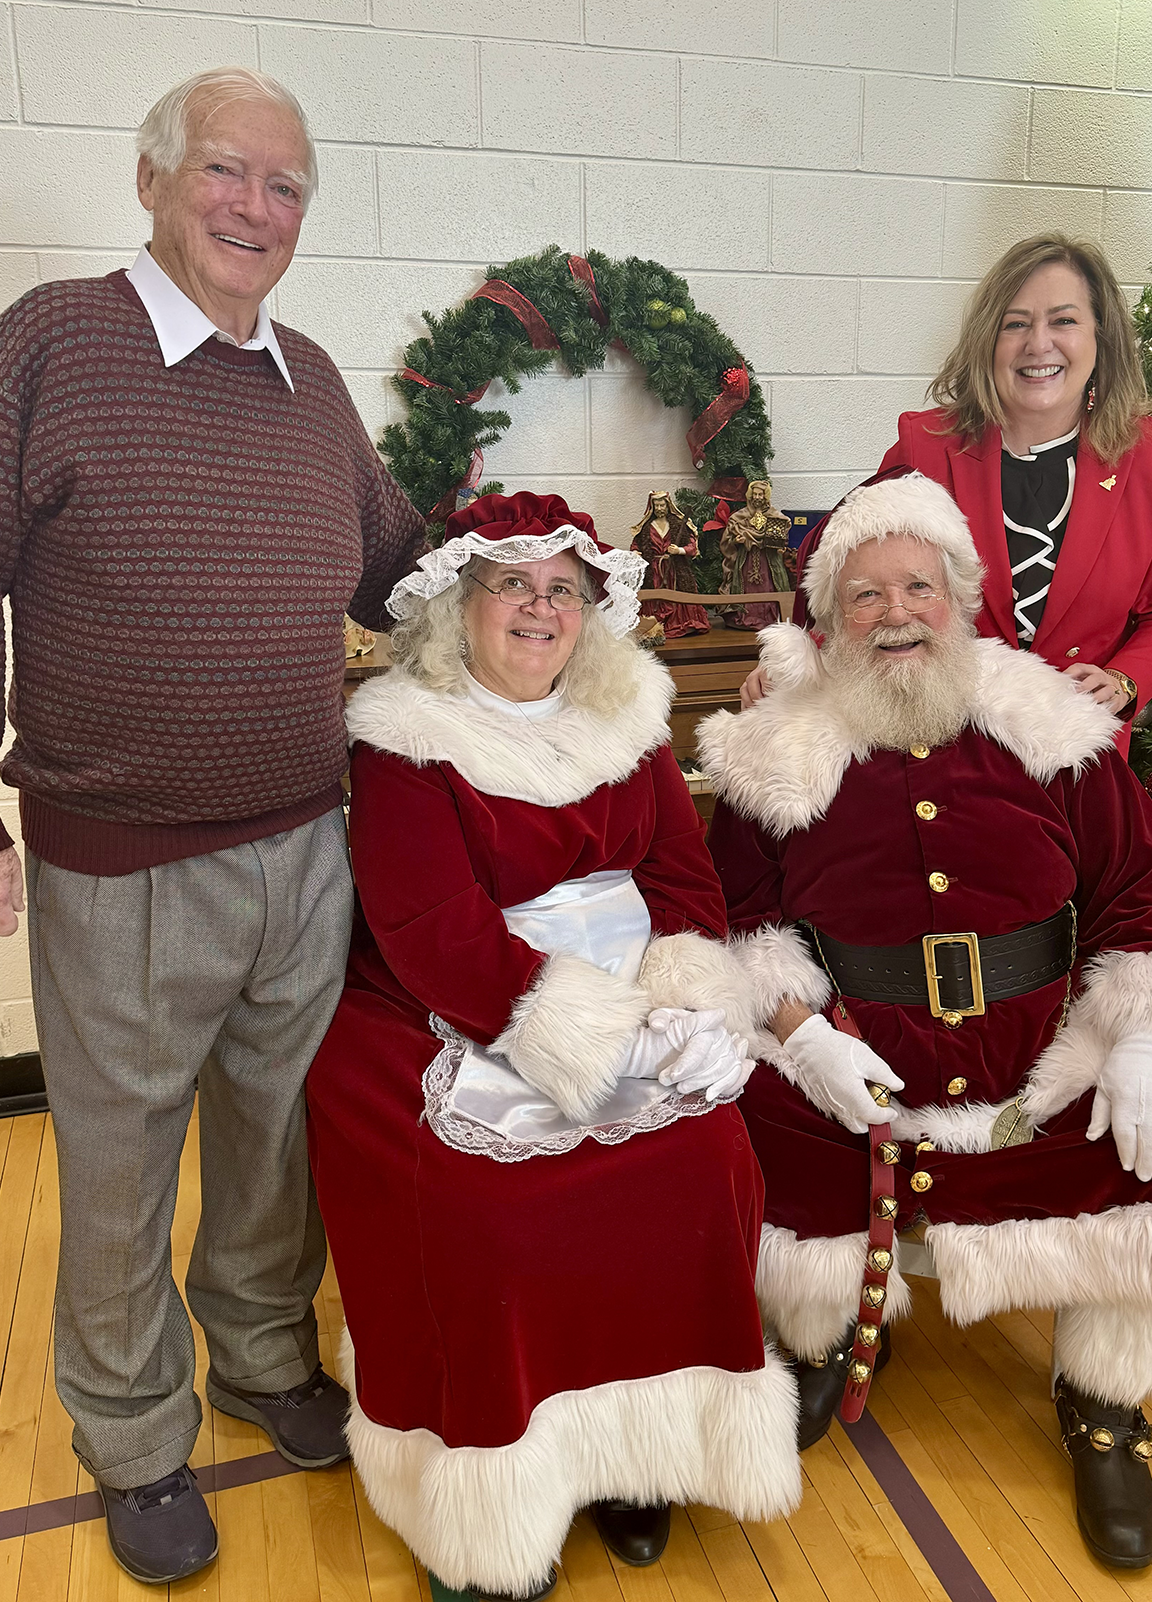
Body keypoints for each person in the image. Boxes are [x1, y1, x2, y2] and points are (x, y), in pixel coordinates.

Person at [0, 68, 426, 1583]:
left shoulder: (315, 384)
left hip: (308, 842)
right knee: (120, 1168)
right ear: (151, 179)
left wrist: (542, 571)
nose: (255, 208)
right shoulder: (49, 345)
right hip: (124, 858)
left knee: (278, 1141)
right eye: (226, 170)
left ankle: (263, 1353)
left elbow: (400, 575)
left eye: (286, 187)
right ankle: (132, 1432)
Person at [700, 473, 1152, 1570]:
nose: (895, 614)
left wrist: (1147, 1038)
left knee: (1151, 1163)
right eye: (865, 595)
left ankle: (1103, 1400)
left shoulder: (1052, 728)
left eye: (918, 587)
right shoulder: (776, 751)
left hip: (1043, 1063)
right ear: (829, 618)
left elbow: (1143, 886)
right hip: (857, 1063)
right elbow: (733, 921)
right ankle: (826, 1334)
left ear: (961, 597)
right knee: (758, 1132)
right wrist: (802, 1034)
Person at [307, 492, 801, 1602]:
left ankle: (639, 1450)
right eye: (513, 586)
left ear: (591, 610)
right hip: (454, 1002)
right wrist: (591, 1036)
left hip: (629, 991)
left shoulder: (627, 719)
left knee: (705, 1156)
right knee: (488, 1207)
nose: (540, 608)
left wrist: (688, 1004)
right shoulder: (404, 736)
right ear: (460, 607)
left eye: (562, 590)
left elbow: (681, 875)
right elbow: (430, 927)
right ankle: (491, 1488)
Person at [755, 236, 1152, 753]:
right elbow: (853, 584)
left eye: (1063, 320)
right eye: (1015, 324)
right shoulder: (924, 447)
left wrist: (1126, 679)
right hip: (944, 746)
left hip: (1080, 752)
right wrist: (795, 669)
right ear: (988, 340)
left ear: (1101, 337)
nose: (1039, 344)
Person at [632, 490, 709, 638]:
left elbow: (692, 547)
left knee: (677, 594)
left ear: (668, 505)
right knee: (655, 596)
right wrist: (635, 552)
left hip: (675, 569)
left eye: (662, 505)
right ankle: (654, 623)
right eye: (656, 505)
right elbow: (636, 544)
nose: (659, 508)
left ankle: (679, 621)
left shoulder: (679, 525)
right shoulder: (646, 527)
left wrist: (679, 550)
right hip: (654, 571)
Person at [719, 480, 793, 630]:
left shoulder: (775, 516)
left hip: (768, 561)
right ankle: (745, 615)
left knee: (768, 586)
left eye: (760, 494)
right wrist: (736, 540)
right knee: (746, 587)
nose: (757, 497)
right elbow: (728, 541)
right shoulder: (739, 517)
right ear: (750, 495)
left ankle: (770, 616)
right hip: (746, 560)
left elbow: (782, 536)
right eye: (755, 494)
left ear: (766, 496)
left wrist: (779, 545)